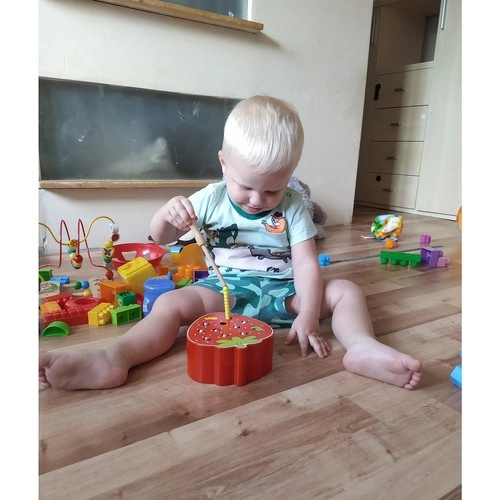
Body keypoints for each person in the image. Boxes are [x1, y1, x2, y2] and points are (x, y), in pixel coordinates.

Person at [39, 95, 422, 391]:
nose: (257, 200)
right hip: (222, 291)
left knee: (346, 291)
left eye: (272, 190)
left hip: (285, 295)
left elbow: (306, 263)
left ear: (290, 176)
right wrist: (167, 214)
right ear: (224, 164)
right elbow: (162, 239)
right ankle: (115, 356)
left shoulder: (293, 205)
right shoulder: (210, 198)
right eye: (246, 186)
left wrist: (307, 315)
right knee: (170, 303)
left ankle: (361, 346)